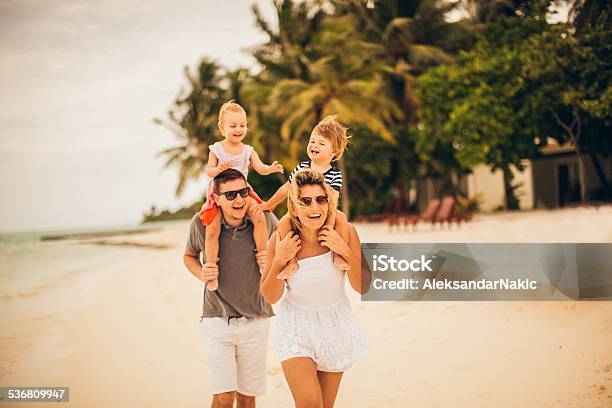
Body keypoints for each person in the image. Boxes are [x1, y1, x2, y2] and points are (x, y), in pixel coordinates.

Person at [260, 169, 369, 408]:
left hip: (334, 324)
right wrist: (280, 259)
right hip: (295, 326)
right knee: (310, 404)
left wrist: (344, 249)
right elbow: (270, 295)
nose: (314, 208)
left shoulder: (346, 232)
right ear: (294, 206)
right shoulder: (280, 239)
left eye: (321, 199)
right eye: (305, 201)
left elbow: (363, 287)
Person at [184, 168, 278, 408]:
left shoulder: (264, 219)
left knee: (247, 399)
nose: (239, 200)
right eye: (231, 195)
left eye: (243, 192)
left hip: (257, 318)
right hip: (217, 319)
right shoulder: (202, 223)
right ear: (216, 198)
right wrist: (202, 273)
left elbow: (285, 247)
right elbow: (189, 256)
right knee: (224, 397)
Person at [200, 100, 283, 290]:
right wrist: (218, 168)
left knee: (259, 217)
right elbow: (209, 170)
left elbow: (259, 168)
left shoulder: (247, 150)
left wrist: (271, 168)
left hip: (244, 191)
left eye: (242, 125)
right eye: (233, 125)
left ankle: (262, 256)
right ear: (222, 128)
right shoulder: (217, 149)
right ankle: (212, 267)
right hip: (219, 194)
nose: (239, 129)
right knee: (212, 228)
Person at [255, 115, 351, 279]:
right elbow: (286, 189)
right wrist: (268, 204)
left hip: (325, 213)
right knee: (284, 222)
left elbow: (333, 200)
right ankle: (291, 261)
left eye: (321, 143)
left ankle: (338, 254)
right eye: (312, 141)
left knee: (340, 219)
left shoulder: (334, 173)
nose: (314, 145)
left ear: (333, 151)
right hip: (299, 214)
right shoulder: (302, 167)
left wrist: (327, 224)